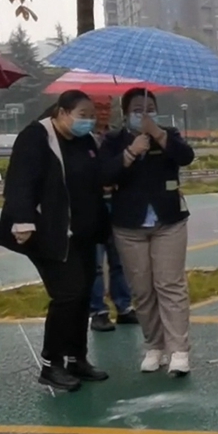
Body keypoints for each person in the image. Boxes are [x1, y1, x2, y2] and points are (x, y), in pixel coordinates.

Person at [0, 90, 113, 390]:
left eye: (92, 116)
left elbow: (97, 175)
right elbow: (19, 182)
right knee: (68, 293)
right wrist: (22, 220)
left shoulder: (85, 140)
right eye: (82, 115)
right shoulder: (37, 137)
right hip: (47, 231)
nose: (88, 121)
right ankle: (52, 364)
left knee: (83, 293)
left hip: (83, 232)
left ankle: (77, 358)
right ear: (61, 112)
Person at [101, 89, 196, 376]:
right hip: (129, 225)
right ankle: (154, 345)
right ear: (125, 113)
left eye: (149, 108)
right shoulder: (114, 140)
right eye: (137, 109)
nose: (144, 113)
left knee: (170, 285)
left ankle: (178, 350)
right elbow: (104, 175)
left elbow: (185, 157)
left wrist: (157, 134)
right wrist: (130, 152)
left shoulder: (168, 134)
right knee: (142, 290)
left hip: (168, 221)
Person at [89, 110, 137, 333]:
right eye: (97, 106)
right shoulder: (81, 140)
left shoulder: (117, 138)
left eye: (106, 104)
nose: (102, 110)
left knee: (119, 260)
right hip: (93, 206)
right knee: (96, 263)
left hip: (117, 204)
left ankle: (124, 307)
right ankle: (98, 311)